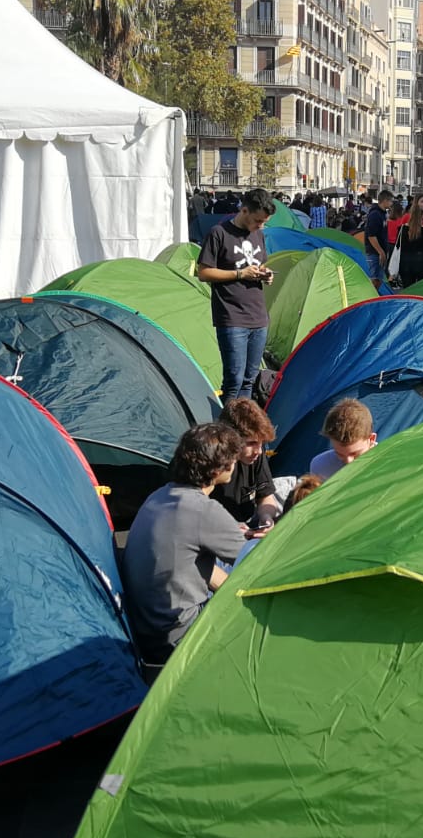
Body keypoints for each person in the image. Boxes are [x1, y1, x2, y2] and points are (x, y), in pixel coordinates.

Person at [122, 421, 250, 662]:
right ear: (216, 470)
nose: (235, 463)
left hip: (145, 628)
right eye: (232, 459)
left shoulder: (160, 495)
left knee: (218, 566)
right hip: (179, 634)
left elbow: (188, 560)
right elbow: (263, 562)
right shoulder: (204, 510)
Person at [197, 187, 275, 399]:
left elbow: (259, 264)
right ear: (245, 211)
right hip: (232, 317)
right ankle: (227, 429)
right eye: (258, 220)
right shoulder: (219, 233)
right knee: (234, 380)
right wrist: (240, 274)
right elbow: (203, 273)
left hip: (258, 316)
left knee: (250, 379)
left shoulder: (258, 235)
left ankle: (243, 428)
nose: (260, 226)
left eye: (264, 222)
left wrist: (265, 275)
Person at [214, 398, 298, 529]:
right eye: (251, 443)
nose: (258, 451)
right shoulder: (208, 462)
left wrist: (266, 517)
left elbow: (265, 496)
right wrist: (231, 528)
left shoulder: (255, 456)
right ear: (229, 438)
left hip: (247, 525)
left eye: (262, 444)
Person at [309, 398, 377, 481]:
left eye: (355, 454)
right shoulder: (320, 467)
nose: (349, 462)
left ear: (371, 439)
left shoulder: (389, 463)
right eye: (339, 454)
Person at [394, 195, 423, 287]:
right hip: (418, 257)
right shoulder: (407, 217)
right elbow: (401, 236)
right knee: (421, 288)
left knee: (409, 288)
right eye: (422, 201)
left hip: (413, 257)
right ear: (416, 203)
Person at [362, 189, 393, 286]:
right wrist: (380, 251)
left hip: (379, 251)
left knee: (378, 279)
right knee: (374, 279)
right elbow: (371, 236)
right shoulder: (375, 215)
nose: (391, 203)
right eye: (390, 201)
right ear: (385, 201)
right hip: (374, 252)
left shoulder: (382, 214)